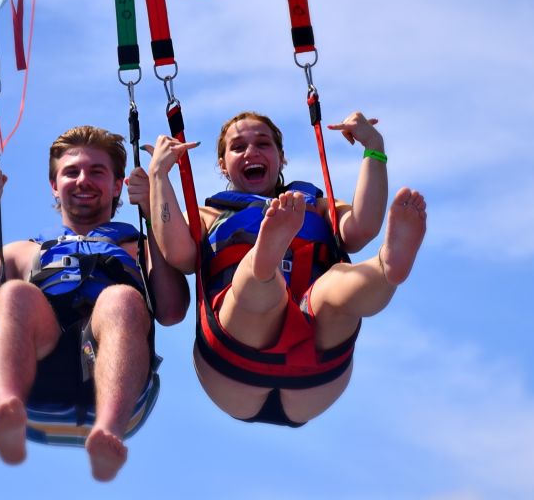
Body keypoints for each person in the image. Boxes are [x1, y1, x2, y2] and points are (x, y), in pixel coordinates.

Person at [0, 125, 188, 482]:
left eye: (97, 172)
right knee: (14, 294)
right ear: (55, 185)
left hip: (119, 388)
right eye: (71, 172)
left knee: (122, 298)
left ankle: (107, 436)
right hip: (38, 384)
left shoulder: (138, 245)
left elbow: (173, 311)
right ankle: (8, 409)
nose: (83, 180)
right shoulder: (25, 252)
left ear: (117, 186)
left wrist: (152, 209)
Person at [144, 110, 426, 427]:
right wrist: (159, 175)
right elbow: (178, 254)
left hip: (315, 368)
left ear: (281, 157)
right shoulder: (209, 214)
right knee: (256, 287)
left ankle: (385, 268)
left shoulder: (316, 205)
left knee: (335, 287)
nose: (251, 151)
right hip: (236, 359)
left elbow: (360, 229)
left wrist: (373, 148)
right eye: (238, 147)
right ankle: (265, 260)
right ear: (223, 165)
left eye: (263, 144)